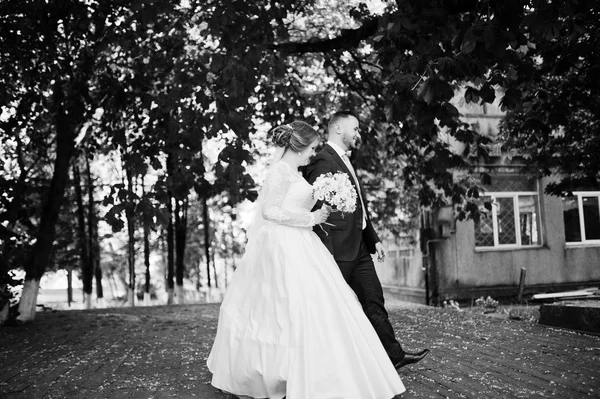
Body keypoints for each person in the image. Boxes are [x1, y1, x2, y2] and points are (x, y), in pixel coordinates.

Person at [207, 120, 405, 399]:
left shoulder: (296, 173)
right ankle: (278, 371)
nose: (314, 153)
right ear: (299, 146)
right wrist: (310, 218)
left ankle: (316, 369)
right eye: (312, 148)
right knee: (282, 309)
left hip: (303, 243)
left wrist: (331, 196)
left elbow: (296, 202)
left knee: (318, 306)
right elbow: (269, 212)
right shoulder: (279, 172)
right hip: (282, 246)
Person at [304, 111, 430, 370]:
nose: (359, 134)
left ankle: (394, 356)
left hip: (359, 247)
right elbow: (314, 205)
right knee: (331, 309)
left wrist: (373, 239)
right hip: (336, 250)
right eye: (356, 129)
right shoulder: (321, 160)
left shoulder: (346, 161)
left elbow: (357, 204)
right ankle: (323, 364)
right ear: (338, 128)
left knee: (374, 300)